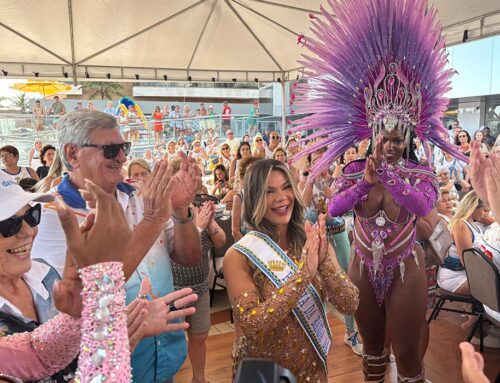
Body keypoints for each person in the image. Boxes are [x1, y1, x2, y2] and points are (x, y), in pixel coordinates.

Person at [293, 0, 470, 380]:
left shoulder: (420, 172)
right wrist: (366, 183)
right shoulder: (357, 170)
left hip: (406, 267)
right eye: (384, 137)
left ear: (406, 137)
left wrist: (390, 179)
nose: (390, 145)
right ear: (372, 134)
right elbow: (335, 208)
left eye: (396, 138)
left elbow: (425, 204)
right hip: (360, 266)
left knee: (408, 358)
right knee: (371, 354)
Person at [31, 109, 203, 383]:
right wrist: (153, 221)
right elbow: (79, 299)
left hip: (166, 357)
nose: (122, 157)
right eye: (110, 150)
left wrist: (181, 210)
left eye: (124, 147)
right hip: (105, 367)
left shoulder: (140, 195)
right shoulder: (50, 214)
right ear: (73, 154)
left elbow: (190, 259)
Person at [0, 179, 198, 382]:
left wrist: (110, 331)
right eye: (9, 224)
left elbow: (39, 353)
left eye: (31, 216)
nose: (28, 231)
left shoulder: (44, 273)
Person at [224, 159, 359, 382]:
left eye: (286, 187)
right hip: (264, 373)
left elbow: (349, 303)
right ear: (254, 198)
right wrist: (303, 275)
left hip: (312, 370)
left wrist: (324, 262)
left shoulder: (312, 240)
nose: (281, 198)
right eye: (269, 191)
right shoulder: (240, 255)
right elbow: (252, 325)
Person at [300, 148, 363, 356]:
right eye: (316, 160)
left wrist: (330, 194)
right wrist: (311, 180)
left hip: (337, 234)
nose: (320, 163)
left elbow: (342, 208)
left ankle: (350, 332)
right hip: (315, 239)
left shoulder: (339, 181)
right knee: (314, 284)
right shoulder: (306, 182)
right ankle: (315, 333)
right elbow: (304, 203)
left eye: (323, 159)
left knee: (345, 279)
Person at [171, 197, 226, 383]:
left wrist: (209, 223)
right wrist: (198, 226)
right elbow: (177, 251)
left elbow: (221, 241)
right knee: (172, 342)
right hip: (173, 292)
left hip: (200, 288)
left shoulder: (198, 211)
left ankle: (199, 379)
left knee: (200, 335)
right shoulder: (166, 216)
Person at [437, 191, 489, 296]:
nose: (486, 214)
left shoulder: (474, 224)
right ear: (474, 207)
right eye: (485, 210)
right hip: (455, 277)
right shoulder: (461, 226)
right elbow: (468, 262)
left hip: (466, 274)